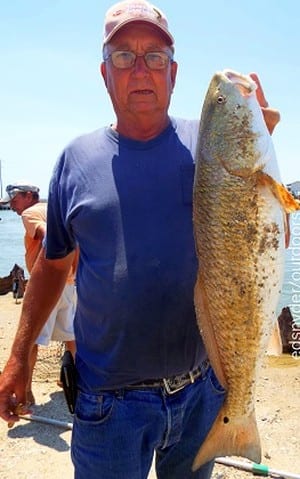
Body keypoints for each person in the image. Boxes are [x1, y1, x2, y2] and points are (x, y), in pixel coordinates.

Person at [0, 1, 281, 478]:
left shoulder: (207, 145)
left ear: (173, 72)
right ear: (104, 73)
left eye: (154, 56)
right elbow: (52, 265)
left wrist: (262, 142)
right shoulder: (74, 159)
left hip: (200, 391)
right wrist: (19, 354)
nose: (140, 69)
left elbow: (264, 238)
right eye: (123, 56)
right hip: (108, 405)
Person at [0, 181, 77, 405]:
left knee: (31, 336)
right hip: (70, 282)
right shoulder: (56, 209)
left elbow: (48, 237)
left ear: (27, 196)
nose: (13, 207)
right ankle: (75, 384)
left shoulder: (30, 214)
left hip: (48, 284)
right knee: (71, 337)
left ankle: (25, 391)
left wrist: (47, 275)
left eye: (14, 201)